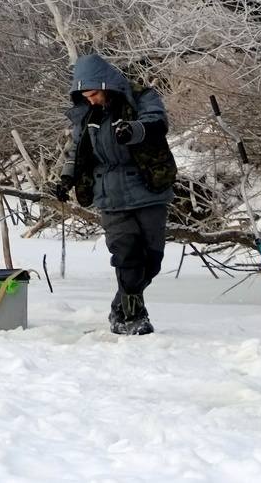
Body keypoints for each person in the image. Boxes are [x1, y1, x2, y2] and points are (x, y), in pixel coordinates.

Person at [52, 53, 176, 336]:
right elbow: (77, 148)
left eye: (94, 94)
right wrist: (66, 177)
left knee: (152, 261)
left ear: (106, 85)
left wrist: (132, 131)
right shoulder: (87, 114)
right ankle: (132, 317)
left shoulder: (141, 98)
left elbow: (157, 123)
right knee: (126, 256)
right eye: (86, 95)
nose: (91, 100)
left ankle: (119, 307)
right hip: (109, 194)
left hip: (149, 189)